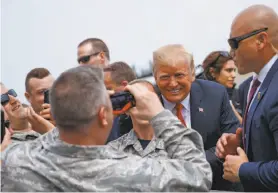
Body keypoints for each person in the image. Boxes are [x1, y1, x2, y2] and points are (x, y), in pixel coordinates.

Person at [1, 65, 212, 191]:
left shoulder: (13, 161)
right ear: (103, 116)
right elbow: (199, 175)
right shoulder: (132, 171)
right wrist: (160, 115)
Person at [152, 44, 241, 191]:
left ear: (192, 74)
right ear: (155, 77)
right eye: (165, 77)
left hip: (216, 185)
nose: (173, 83)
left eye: (179, 75)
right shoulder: (146, 104)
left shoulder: (215, 95)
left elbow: (231, 144)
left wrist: (188, 165)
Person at [216, 4, 278, 191]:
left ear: (261, 40)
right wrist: (241, 144)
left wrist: (243, 170)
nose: (231, 52)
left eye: (234, 43)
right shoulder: (250, 86)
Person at [202, 51, 242, 123]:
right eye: (229, 70)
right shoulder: (200, 96)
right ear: (212, 72)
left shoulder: (239, 94)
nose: (234, 75)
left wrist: (229, 106)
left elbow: (245, 128)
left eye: (234, 70)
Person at [104, 61, 136, 142]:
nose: (105, 94)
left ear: (125, 85)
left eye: (108, 89)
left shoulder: (148, 116)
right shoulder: (108, 120)